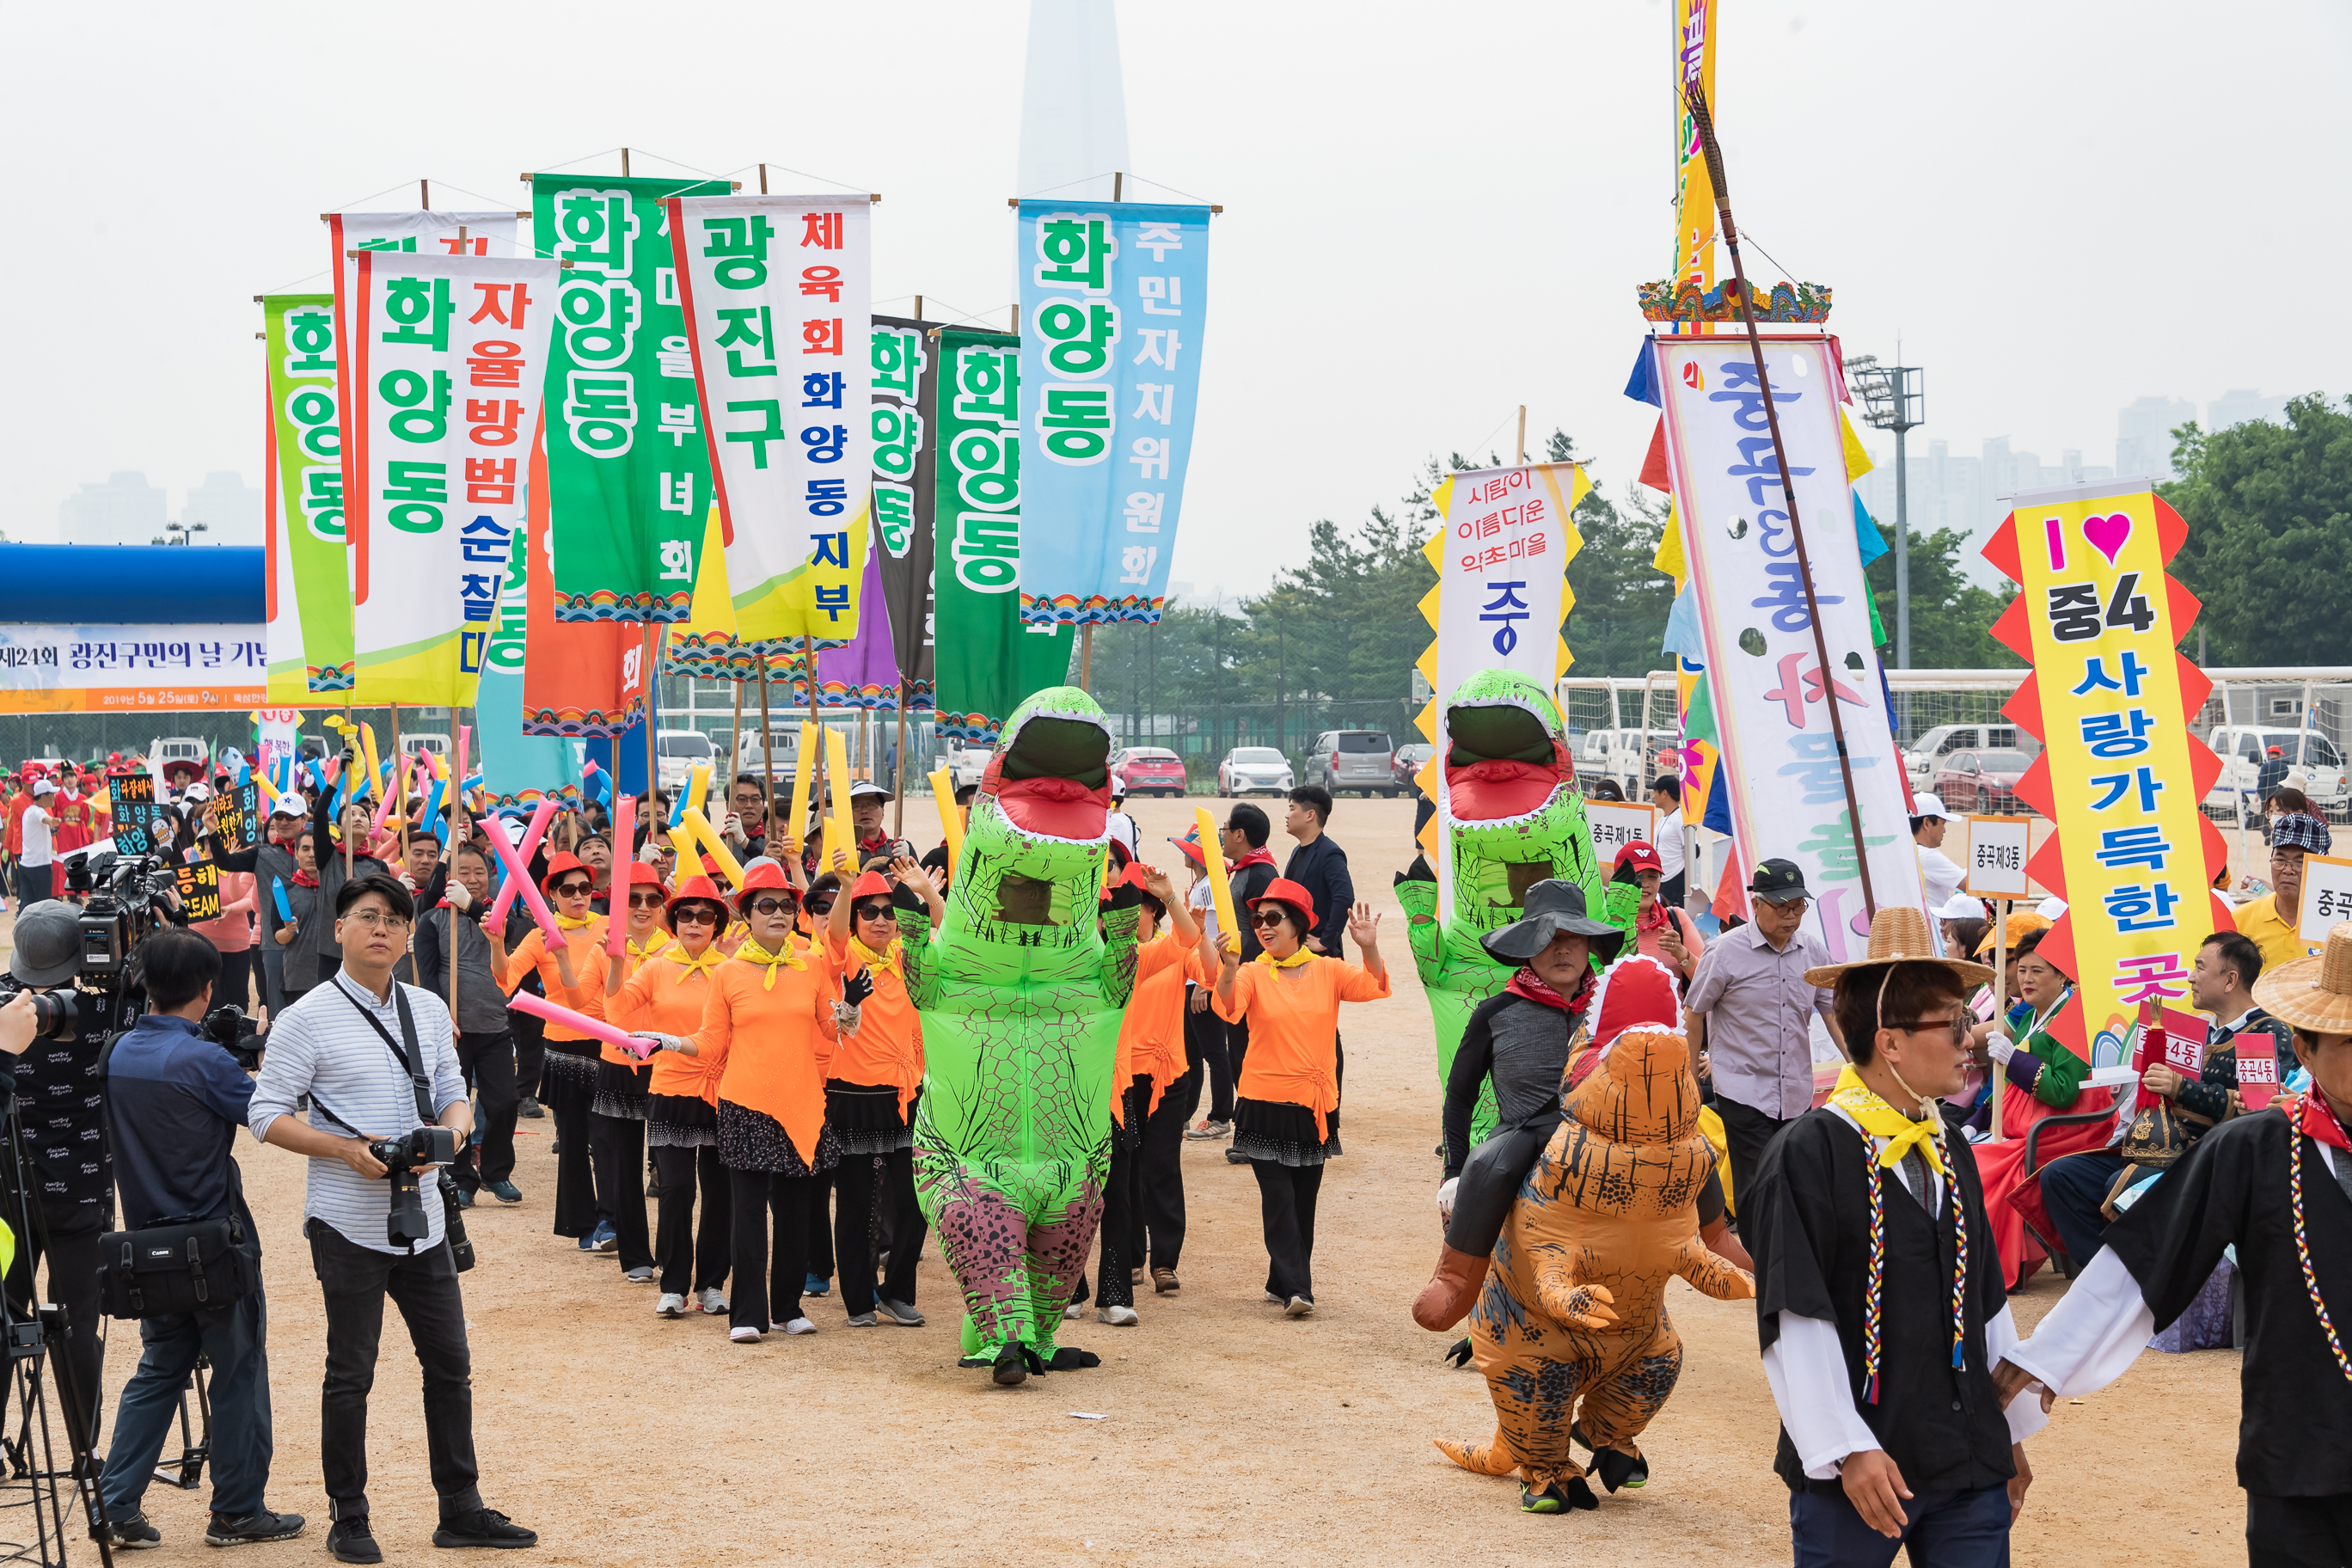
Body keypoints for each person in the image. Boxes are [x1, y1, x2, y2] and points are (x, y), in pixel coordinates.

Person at [1996, 922, 2352, 1565]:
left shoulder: (2256, 1047)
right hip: (2299, 1442)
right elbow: (2151, 1249)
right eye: (2351, 1042)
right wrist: (2050, 1355)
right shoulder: (2257, 1148)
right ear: (2307, 1045)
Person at [248, 873, 536, 1561]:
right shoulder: (305, 1016)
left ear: (410, 937)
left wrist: (455, 1136)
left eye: (394, 921)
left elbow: (450, 1091)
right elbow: (265, 1113)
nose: (381, 929)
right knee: (352, 1371)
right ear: (340, 929)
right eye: (367, 917)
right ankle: (349, 1515)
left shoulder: (427, 1009)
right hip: (347, 1219)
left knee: (450, 1365)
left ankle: (460, 1507)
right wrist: (343, 1151)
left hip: (425, 1217)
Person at [1747, 909, 2041, 1562]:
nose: (1972, 1038)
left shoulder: (1951, 1143)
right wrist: (1846, 1448)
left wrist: (2008, 1437)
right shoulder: (1809, 1151)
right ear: (1891, 1042)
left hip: (1966, 1459)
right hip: (1860, 1469)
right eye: (1955, 1022)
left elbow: (1983, 1297)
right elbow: (1796, 1311)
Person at [97, 927, 303, 1549]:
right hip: (216, 1243)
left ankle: (116, 1504)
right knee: (239, 1370)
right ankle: (238, 1509)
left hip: (146, 1246)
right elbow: (271, 1112)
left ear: (144, 984)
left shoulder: (116, 1052)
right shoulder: (206, 1060)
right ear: (210, 989)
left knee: (160, 1367)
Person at [2028, 929, 2290, 1273]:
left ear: (2230, 980)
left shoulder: (2267, 1032)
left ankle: (2151, 1280)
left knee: (2123, 1185)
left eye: (2199, 967)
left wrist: (2179, 1086)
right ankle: (2109, 1277)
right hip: (2157, 1144)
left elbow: (2254, 1108)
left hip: (2209, 1155)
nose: (2190, 977)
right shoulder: (2194, 1027)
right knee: (2061, 1175)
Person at [1210, 879, 1389, 1316]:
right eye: (1258, 919)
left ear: (1299, 925)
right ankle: (1299, 1289)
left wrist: (1367, 947)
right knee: (1279, 1199)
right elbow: (1228, 1008)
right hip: (1262, 1102)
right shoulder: (1252, 971)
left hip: (1314, 1106)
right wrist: (1230, 968)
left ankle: (1281, 1280)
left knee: (1303, 1201)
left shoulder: (1328, 971)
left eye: (1273, 918)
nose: (1263, 927)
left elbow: (1375, 986)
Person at [689, 863, 848, 1342]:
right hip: (746, 1102)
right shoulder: (728, 972)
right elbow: (712, 1041)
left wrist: (850, 1007)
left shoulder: (813, 965)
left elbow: (832, 1030)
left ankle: (788, 1307)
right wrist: (671, 1045)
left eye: (786, 905)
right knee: (748, 1213)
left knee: (797, 1212)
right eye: (767, 905)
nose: (779, 913)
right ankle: (748, 1314)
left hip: (802, 1103)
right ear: (747, 915)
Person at [3, 899, 123, 1458]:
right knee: (78, 1323)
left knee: (5, 1315)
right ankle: (86, 1451)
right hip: (82, 1192)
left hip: (8, 1192)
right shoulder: (110, 1007)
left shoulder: (6, 1007)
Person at [818, 858, 940, 1327]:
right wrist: (848, 887)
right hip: (854, 1094)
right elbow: (832, 936)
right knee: (857, 1203)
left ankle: (897, 1290)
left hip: (908, 1095)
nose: (881, 920)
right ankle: (858, 1299)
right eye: (870, 912)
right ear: (855, 920)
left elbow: (950, 937)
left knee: (915, 1201)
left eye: (889, 912)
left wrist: (925, 892)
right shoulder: (845, 957)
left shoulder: (912, 955)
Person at [1682, 858, 1847, 1208]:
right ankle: (1761, 1261)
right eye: (1782, 907)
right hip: (1744, 1089)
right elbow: (1694, 1014)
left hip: (1796, 1090)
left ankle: (1783, 1259)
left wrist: (1859, 1064)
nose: (1791, 917)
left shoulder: (1813, 951)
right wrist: (1689, 1079)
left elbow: (1833, 1011)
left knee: (1794, 1181)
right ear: (1756, 904)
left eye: (1798, 907)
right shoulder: (1724, 952)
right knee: (1758, 1187)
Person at [607, 876, 735, 1319]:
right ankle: (675, 1284)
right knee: (676, 1188)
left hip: (723, 1090)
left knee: (721, 1193)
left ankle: (713, 1283)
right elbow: (618, 1009)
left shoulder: (732, 968)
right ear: (674, 921)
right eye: (685, 915)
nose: (694, 923)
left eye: (705, 916)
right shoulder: (658, 966)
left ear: (717, 923)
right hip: (670, 1089)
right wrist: (615, 961)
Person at [1087, 861, 1204, 1321]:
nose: (1120, 921)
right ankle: (1074, 1287)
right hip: (1078, 1085)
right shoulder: (1076, 961)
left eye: (1132, 912)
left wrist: (1172, 897)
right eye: (1109, 913)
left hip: (1134, 1083)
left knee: (1132, 1178)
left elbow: (1188, 941)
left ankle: (1129, 1283)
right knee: (1080, 1185)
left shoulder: (1139, 960)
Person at [1964, 930, 2113, 1289]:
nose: (2026, 979)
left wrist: (2014, 1058)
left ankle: (1995, 1268)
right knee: (1965, 1150)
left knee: (1984, 1165)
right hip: (2026, 1123)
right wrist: (1976, 1119)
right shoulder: (2026, 1012)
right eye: (2023, 969)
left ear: (2062, 975)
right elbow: (2000, 1064)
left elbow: (2063, 1091)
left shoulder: (2074, 1016)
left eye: (2038, 971)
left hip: (2065, 1129)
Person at [491, 852, 615, 1255]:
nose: (579, 896)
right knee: (576, 1137)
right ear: (552, 896)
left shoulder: (609, 925)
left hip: (607, 1041)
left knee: (608, 1135)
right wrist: (496, 943)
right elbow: (506, 979)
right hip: (564, 1046)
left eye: (584, 887)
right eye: (568, 890)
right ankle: (584, 1222)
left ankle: (613, 1218)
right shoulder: (539, 935)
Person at [406, 843, 524, 1208]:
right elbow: (426, 976)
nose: (472, 879)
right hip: (454, 1032)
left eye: (479, 872)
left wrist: (474, 909)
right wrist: (443, 1017)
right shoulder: (433, 920)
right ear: (450, 876)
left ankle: (495, 1171)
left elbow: (515, 937)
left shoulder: (501, 916)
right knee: (455, 1105)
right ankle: (461, 1178)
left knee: (504, 1101)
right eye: (464, 871)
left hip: (495, 1026)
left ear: (491, 876)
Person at [1171, 827, 1236, 1142]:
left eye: (1187, 849)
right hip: (1193, 976)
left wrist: (1204, 983)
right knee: (1191, 1053)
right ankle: (1183, 1115)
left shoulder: (1211, 886)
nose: (1183, 853)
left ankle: (1221, 1116)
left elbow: (1218, 933)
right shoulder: (1202, 883)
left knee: (1213, 1052)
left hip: (1202, 978)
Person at [2237, 812, 2332, 972]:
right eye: (2280, 860)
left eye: (2300, 862)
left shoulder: (2339, 927)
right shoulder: (2239, 920)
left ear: (2322, 866)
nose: (2288, 870)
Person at [1610, 841, 1703, 989]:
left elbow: (1709, 980)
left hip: (1675, 1013)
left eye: (1652, 876)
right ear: (1617, 880)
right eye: (1636, 876)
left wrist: (1682, 954)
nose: (1645, 884)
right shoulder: (1603, 922)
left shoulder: (1677, 919)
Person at [1281, 786, 1354, 961]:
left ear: (1310, 815)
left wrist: (1326, 941)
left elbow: (1344, 897)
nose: (1287, 815)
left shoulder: (1330, 853)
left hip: (1319, 957)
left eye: (1292, 808)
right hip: (1295, 950)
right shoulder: (1297, 851)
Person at [1909, 793, 1966, 911]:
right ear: (1927, 823)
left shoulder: (1907, 852)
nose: (1944, 830)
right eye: (1942, 824)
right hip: (1932, 926)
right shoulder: (1927, 856)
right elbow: (1969, 884)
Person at [15, 776, 55, 905]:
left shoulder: (28, 811)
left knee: (26, 905)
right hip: (39, 868)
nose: (54, 798)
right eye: (52, 795)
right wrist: (52, 821)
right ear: (43, 797)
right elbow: (43, 818)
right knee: (42, 906)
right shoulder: (37, 812)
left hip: (26, 865)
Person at [1650, 775, 1687, 908]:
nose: (1653, 796)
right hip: (1662, 881)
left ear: (1664, 793)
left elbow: (1694, 850)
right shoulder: (1663, 819)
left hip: (1675, 882)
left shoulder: (1680, 819)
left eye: (1655, 792)